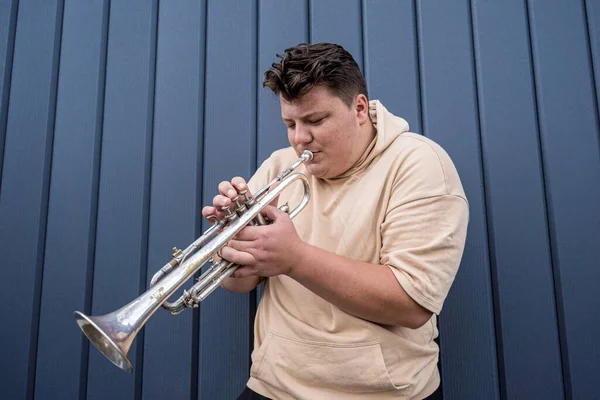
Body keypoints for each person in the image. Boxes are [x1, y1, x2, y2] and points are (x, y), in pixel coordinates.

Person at [202, 43, 469, 400]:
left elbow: (411, 305)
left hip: (381, 394)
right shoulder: (279, 167)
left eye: (315, 121)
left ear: (359, 108)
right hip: (274, 387)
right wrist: (233, 245)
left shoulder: (419, 165)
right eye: (290, 124)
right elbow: (240, 285)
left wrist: (294, 258)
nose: (300, 138)